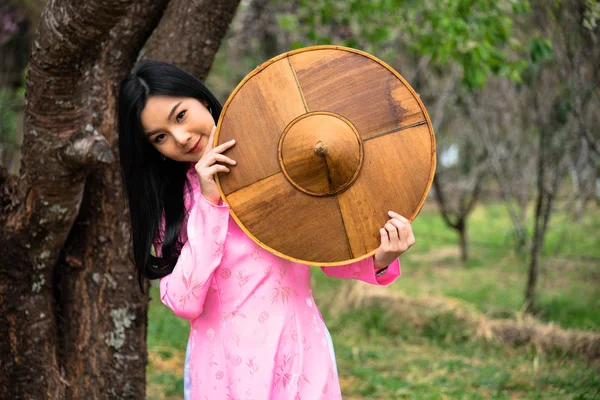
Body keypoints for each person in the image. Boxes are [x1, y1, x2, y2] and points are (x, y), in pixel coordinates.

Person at [118, 60, 416, 400]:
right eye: (160, 137)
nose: (181, 138)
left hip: (300, 355)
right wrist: (210, 203)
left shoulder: (278, 160)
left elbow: (324, 248)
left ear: (200, 98)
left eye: (181, 115)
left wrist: (381, 256)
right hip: (221, 372)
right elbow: (184, 301)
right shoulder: (175, 201)